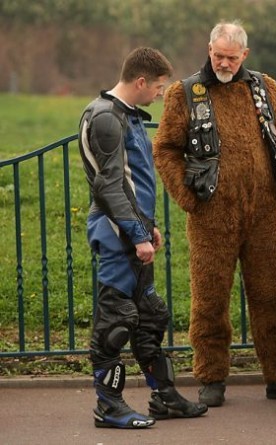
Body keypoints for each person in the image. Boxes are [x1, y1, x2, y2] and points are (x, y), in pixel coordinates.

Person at [153, 21, 276, 406]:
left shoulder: (265, 87)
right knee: (210, 299)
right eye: (218, 55)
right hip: (211, 214)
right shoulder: (185, 93)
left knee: (274, 295)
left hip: (268, 213)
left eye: (231, 57)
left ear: (245, 55)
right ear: (209, 49)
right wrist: (188, 198)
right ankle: (210, 378)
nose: (224, 62)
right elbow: (165, 149)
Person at [78, 47, 208, 429]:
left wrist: (147, 226)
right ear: (140, 82)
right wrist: (136, 234)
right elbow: (110, 186)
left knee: (151, 317)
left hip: (133, 230)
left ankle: (164, 397)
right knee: (114, 325)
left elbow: (132, 181)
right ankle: (108, 406)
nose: (161, 94)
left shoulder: (126, 115)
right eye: (159, 87)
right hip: (116, 232)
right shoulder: (105, 118)